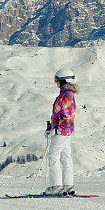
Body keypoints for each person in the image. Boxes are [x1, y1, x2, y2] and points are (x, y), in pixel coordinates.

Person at [43, 67, 78, 196]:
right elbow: (59, 114)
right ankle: (68, 186)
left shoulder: (67, 95)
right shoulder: (66, 94)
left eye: (57, 80)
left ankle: (56, 186)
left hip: (62, 130)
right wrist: (51, 127)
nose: (56, 83)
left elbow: (66, 115)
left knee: (53, 155)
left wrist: (57, 128)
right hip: (65, 130)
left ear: (63, 81)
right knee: (65, 157)